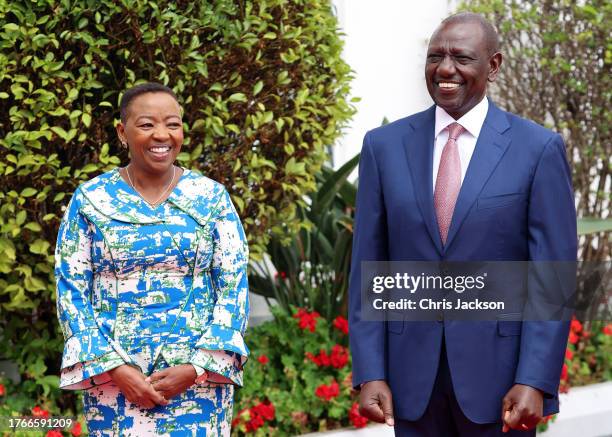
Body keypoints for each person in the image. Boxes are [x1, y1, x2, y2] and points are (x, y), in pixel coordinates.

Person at [348, 12, 577, 437]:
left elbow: (552, 279)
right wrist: (370, 372)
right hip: (411, 381)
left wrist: (534, 379)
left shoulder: (538, 149)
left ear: (493, 66)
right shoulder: (383, 147)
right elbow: (369, 267)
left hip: (501, 383)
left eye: (461, 57)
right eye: (436, 56)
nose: (445, 69)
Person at [55, 82, 249, 436]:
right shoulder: (92, 199)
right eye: (146, 124)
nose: (162, 134)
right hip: (114, 387)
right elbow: (71, 291)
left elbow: (233, 287)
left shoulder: (210, 198)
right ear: (122, 132)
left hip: (198, 386)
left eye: (172, 124)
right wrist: (115, 369)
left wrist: (196, 367)